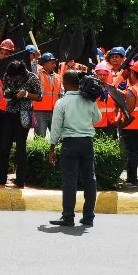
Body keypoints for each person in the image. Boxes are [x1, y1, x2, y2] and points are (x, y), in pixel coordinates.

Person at [47, 71, 102, 227]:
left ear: (64, 83)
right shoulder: (89, 100)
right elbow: (98, 119)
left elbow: (56, 128)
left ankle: (68, 217)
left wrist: (52, 148)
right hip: (87, 143)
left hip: (70, 144)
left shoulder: (61, 103)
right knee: (90, 180)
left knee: (70, 181)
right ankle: (88, 216)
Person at [0, 60, 42, 188]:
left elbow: (39, 96)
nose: (13, 79)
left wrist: (26, 94)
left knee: (21, 148)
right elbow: (5, 93)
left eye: (16, 77)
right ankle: (1, 178)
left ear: (22, 73)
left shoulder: (32, 77)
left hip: (23, 114)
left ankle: (20, 181)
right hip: (9, 113)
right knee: (4, 147)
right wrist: (9, 95)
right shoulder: (7, 75)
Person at [33, 53, 63, 137]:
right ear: (44, 64)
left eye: (54, 62)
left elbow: (61, 93)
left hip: (55, 111)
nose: (54, 65)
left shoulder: (58, 77)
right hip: (40, 111)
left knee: (57, 137)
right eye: (52, 63)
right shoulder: (38, 74)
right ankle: (38, 151)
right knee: (40, 136)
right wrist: (35, 59)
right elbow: (32, 69)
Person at [93, 62, 118, 137]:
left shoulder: (112, 89)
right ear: (96, 75)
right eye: (100, 74)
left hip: (111, 123)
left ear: (108, 75)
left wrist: (118, 118)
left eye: (104, 75)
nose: (102, 77)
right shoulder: (92, 89)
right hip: (97, 124)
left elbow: (118, 106)